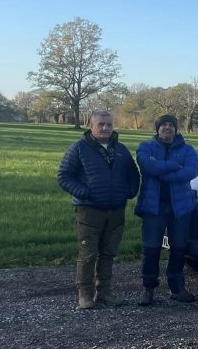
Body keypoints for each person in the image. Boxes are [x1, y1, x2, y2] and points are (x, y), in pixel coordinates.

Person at [57, 109, 140, 310]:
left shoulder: (121, 150)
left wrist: (128, 192)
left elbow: (134, 174)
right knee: (88, 253)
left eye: (109, 125)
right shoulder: (79, 148)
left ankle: (104, 292)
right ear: (91, 126)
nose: (105, 128)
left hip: (116, 210)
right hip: (89, 210)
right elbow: (64, 176)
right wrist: (84, 193)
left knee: (109, 253)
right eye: (100, 124)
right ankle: (85, 294)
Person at [135, 114, 198, 305]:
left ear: (176, 129)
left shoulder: (188, 149)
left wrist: (161, 172)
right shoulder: (145, 147)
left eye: (171, 125)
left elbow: (191, 171)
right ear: (157, 129)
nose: (167, 127)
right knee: (151, 248)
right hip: (152, 207)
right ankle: (148, 289)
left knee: (179, 248)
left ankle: (177, 287)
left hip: (180, 207)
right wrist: (173, 165)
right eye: (163, 124)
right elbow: (147, 167)